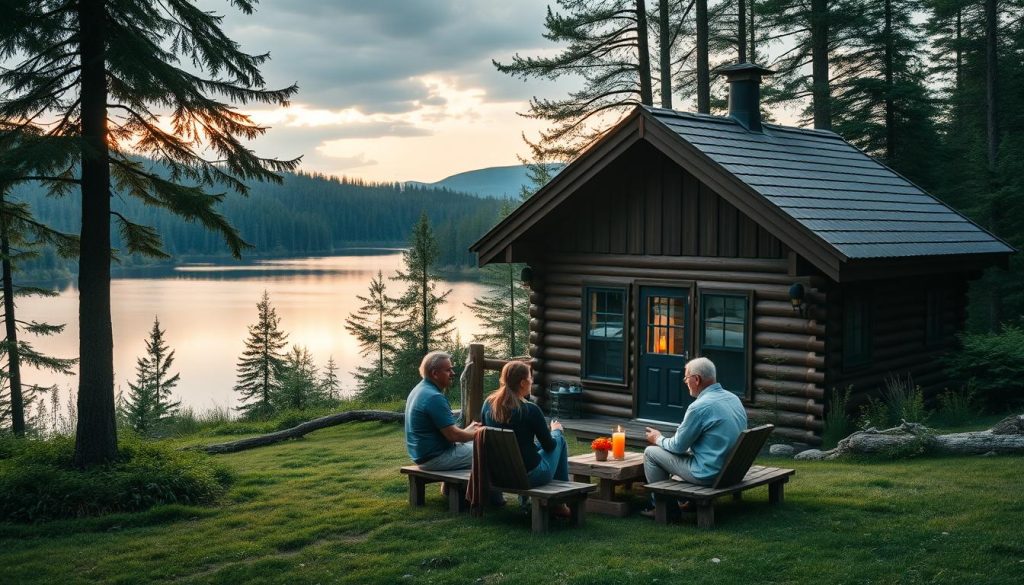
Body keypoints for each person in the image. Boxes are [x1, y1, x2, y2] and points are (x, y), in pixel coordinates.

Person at [642, 357, 747, 517]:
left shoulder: (699, 407)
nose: (685, 382)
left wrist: (657, 438)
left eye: (686, 377)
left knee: (651, 452)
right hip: (731, 470)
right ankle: (688, 502)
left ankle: (666, 509)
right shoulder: (733, 398)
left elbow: (678, 446)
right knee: (683, 450)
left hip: (708, 473)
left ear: (696, 379)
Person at [481, 361, 571, 516]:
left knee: (533, 447)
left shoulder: (488, 404)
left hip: (499, 475)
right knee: (559, 440)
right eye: (530, 378)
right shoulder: (530, 410)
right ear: (522, 382)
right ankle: (559, 503)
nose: (532, 381)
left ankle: (527, 503)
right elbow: (550, 446)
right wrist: (555, 431)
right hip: (528, 477)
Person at [405, 351, 480, 470]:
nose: (453, 373)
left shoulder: (419, 390)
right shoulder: (434, 397)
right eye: (448, 370)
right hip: (437, 458)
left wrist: (468, 430)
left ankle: (456, 488)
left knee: (477, 445)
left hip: (423, 456)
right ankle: (479, 488)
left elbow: (449, 432)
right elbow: (453, 436)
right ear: (435, 373)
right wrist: (480, 434)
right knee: (490, 450)